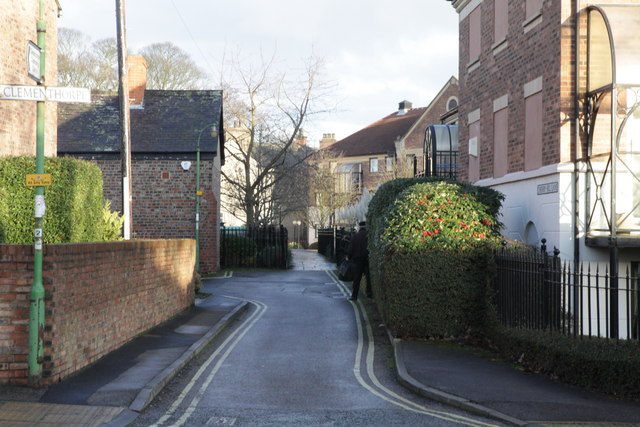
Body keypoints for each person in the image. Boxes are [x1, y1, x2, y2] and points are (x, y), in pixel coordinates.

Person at [346, 221, 371, 301]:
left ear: (359, 227)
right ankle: (369, 293)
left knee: (357, 278)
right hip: (367, 259)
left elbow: (351, 249)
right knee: (368, 277)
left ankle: (354, 296)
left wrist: (348, 257)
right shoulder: (368, 236)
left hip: (357, 260)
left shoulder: (355, 236)